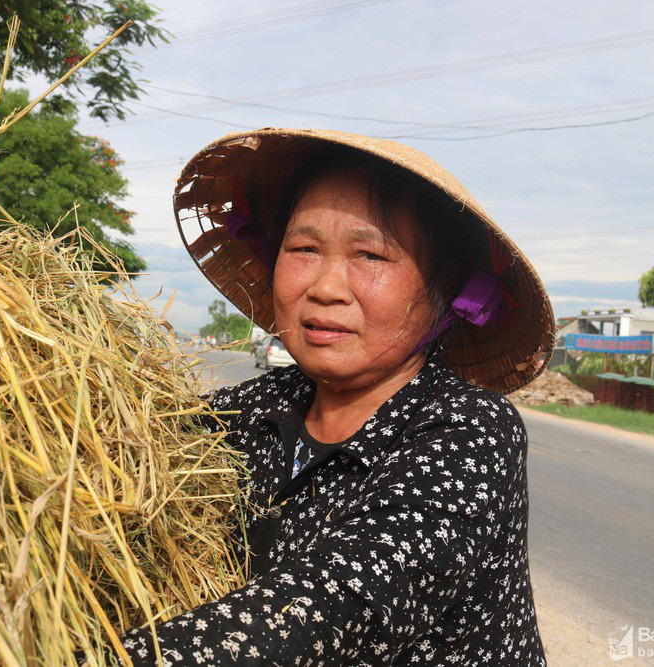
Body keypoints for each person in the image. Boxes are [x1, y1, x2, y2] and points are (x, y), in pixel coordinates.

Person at [113, 129, 554, 666]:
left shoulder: (471, 432)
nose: (325, 287)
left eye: (370, 254)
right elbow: (130, 462)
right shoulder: (254, 410)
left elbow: (331, 606)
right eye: (303, 248)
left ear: (444, 291)